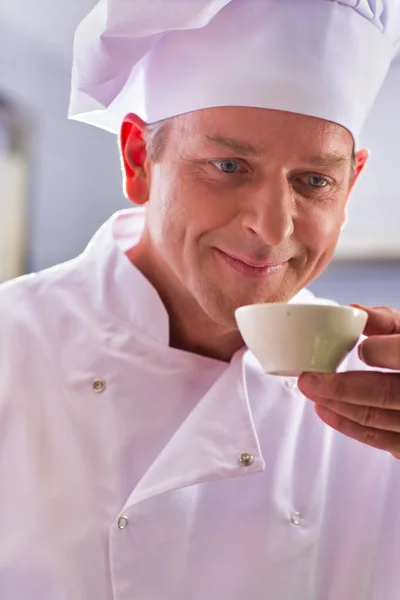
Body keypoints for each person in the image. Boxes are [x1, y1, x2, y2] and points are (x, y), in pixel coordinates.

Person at [1, 0, 400, 598]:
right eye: (229, 165)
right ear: (139, 159)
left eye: (314, 181)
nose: (272, 228)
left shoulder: (380, 394)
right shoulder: (12, 349)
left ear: (349, 188)